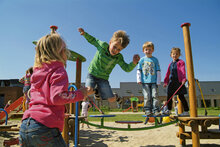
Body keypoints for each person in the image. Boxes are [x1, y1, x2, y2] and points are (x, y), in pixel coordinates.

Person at [19, 33, 93, 147]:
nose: (67, 54)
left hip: (25, 125)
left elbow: (42, 101)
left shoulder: (37, 72)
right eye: (65, 50)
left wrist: (61, 114)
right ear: (58, 52)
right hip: (44, 128)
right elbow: (57, 97)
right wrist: (81, 93)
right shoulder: (58, 70)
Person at [78, 28, 140, 103]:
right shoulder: (102, 46)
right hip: (92, 74)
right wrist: (85, 34)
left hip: (103, 79)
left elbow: (126, 68)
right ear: (110, 43)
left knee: (111, 100)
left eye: (119, 49)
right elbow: (93, 40)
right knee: (88, 90)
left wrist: (133, 63)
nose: (116, 50)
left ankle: (115, 96)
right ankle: (96, 91)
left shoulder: (118, 57)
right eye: (115, 47)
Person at [137, 41, 161, 116]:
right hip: (145, 81)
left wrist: (158, 81)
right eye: (146, 49)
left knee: (155, 95)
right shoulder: (142, 60)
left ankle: (156, 110)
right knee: (147, 96)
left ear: (153, 50)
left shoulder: (155, 60)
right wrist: (139, 79)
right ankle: (147, 109)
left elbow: (158, 70)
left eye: (150, 49)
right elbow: (139, 70)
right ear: (143, 50)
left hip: (154, 81)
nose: (148, 51)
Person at [163, 47, 189, 116]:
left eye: (177, 54)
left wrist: (184, 79)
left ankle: (186, 111)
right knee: (169, 96)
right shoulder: (170, 64)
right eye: (173, 54)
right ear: (171, 55)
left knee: (181, 96)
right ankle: (168, 110)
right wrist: (166, 82)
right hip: (172, 82)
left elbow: (183, 71)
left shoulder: (181, 62)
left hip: (179, 82)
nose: (175, 55)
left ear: (179, 55)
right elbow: (167, 73)